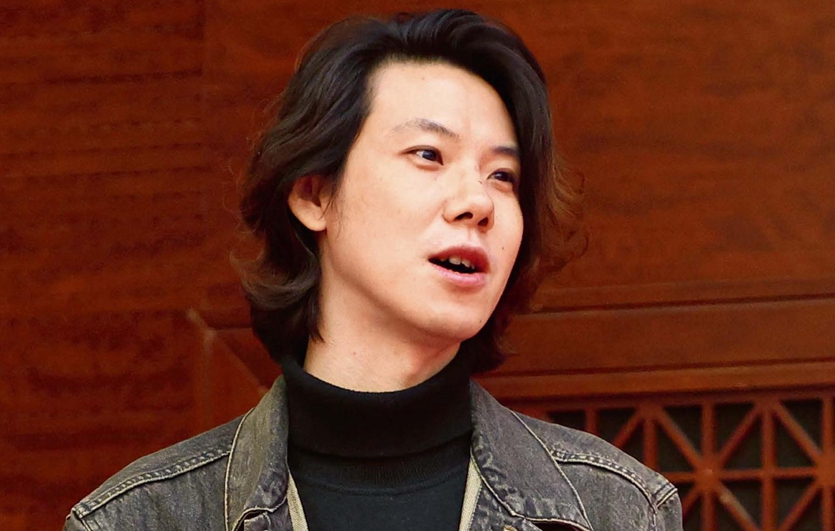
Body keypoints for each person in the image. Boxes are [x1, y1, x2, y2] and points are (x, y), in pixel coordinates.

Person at [64, 9, 682, 531]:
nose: (478, 201)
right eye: (429, 154)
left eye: (503, 175)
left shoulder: (618, 509)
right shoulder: (139, 518)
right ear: (314, 194)